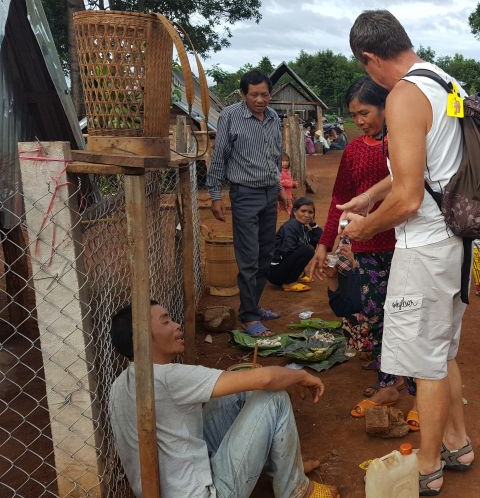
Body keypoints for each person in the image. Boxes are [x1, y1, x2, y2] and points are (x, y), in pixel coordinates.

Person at [338, 10, 474, 495]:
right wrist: (370, 196)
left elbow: (411, 197)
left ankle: (429, 466)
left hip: (426, 247)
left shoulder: (403, 96)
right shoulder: (444, 82)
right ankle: (457, 443)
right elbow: (426, 167)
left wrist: (362, 228)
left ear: (371, 58)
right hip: (456, 241)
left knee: (425, 363)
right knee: (443, 351)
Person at [107, 301, 339, 498]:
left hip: (173, 485)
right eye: (166, 322)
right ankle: (296, 490)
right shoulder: (167, 377)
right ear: (143, 338)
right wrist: (299, 374)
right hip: (206, 494)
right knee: (274, 397)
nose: (177, 325)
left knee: (238, 389)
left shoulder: (121, 383)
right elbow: (266, 379)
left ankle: (285, 469)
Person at [310, 76, 418, 425]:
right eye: (353, 115)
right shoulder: (354, 150)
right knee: (375, 313)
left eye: (365, 112)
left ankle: (419, 392)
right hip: (368, 248)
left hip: (404, 245)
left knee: (408, 316)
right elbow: (339, 202)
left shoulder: (404, 145)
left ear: (386, 107)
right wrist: (324, 243)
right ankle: (388, 382)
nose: (359, 121)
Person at [207, 70, 289, 338]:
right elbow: (219, 157)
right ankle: (249, 316)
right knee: (248, 257)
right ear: (244, 94)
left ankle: (252, 304)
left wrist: (279, 188)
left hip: (268, 194)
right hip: (244, 195)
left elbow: (274, 158)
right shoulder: (231, 116)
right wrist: (216, 194)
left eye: (265, 94)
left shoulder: (274, 117)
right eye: (254, 94)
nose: (260, 99)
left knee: (265, 254)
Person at [268, 198, 321, 292]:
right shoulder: (291, 226)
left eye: (310, 212)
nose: (307, 215)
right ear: (295, 211)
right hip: (275, 272)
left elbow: (319, 238)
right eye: (303, 211)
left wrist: (313, 224)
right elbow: (287, 250)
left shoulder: (303, 227)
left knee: (309, 246)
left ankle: (295, 277)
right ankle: (289, 282)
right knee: (307, 250)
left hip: (282, 269)